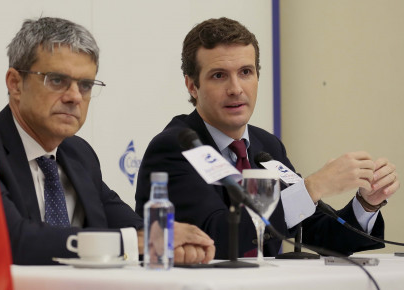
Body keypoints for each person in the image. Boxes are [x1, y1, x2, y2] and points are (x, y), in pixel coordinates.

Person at [135, 17, 400, 259]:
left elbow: (321, 235)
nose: (236, 89)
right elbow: (217, 237)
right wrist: (312, 188)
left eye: (246, 72)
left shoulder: (266, 147)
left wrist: (366, 203)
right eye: (219, 76)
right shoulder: (175, 147)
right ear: (192, 85)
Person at [0, 17, 215, 265]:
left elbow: (131, 225)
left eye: (85, 85)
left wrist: (172, 243)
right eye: (56, 80)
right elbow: (13, 240)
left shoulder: (79, 154)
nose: (75, 97)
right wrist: (141, 242)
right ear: (15, 84)